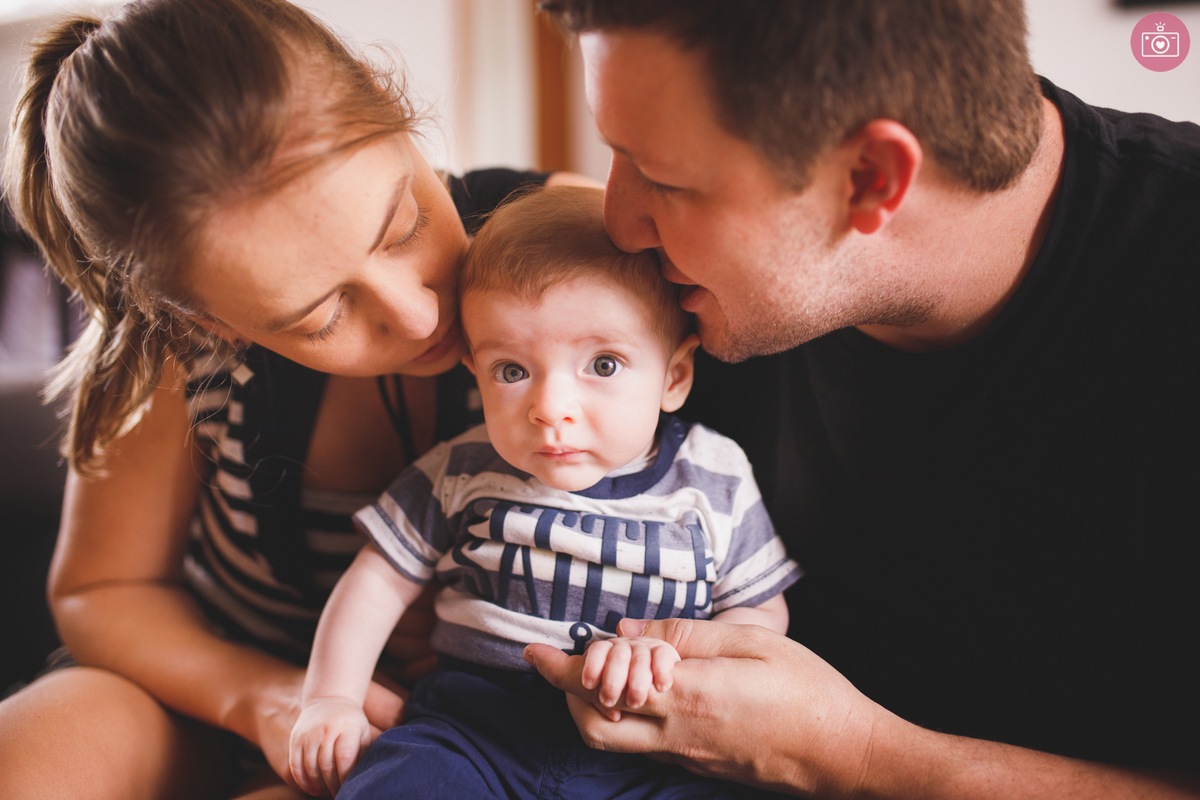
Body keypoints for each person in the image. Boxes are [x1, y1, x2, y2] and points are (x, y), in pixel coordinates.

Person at [527, 1, 1200, 798]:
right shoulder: (682, 288)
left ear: (871, 178)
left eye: (664, 180)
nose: (620, 221)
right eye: (615, 153)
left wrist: (860, 757)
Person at [0, 1, 588, 797]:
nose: (418, 314)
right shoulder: (178, 351)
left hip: (483, 733)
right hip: (212, 699)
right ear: (207, 320)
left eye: (403, 223)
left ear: (390, 107)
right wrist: (265, 698)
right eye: (322, 316)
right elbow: (101, 590)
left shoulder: (579, 241)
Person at [288, 184, 799, 799]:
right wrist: (330, 698)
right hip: (472, 733)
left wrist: (682, 662)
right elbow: (374, 582)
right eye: (513, 371)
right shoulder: (461, 468)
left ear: (675, 376)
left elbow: (759, 608)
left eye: (603, 365)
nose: (549, 409)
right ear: (475, 374)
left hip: (653, 748)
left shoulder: (712, 476)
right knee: (393, 782)